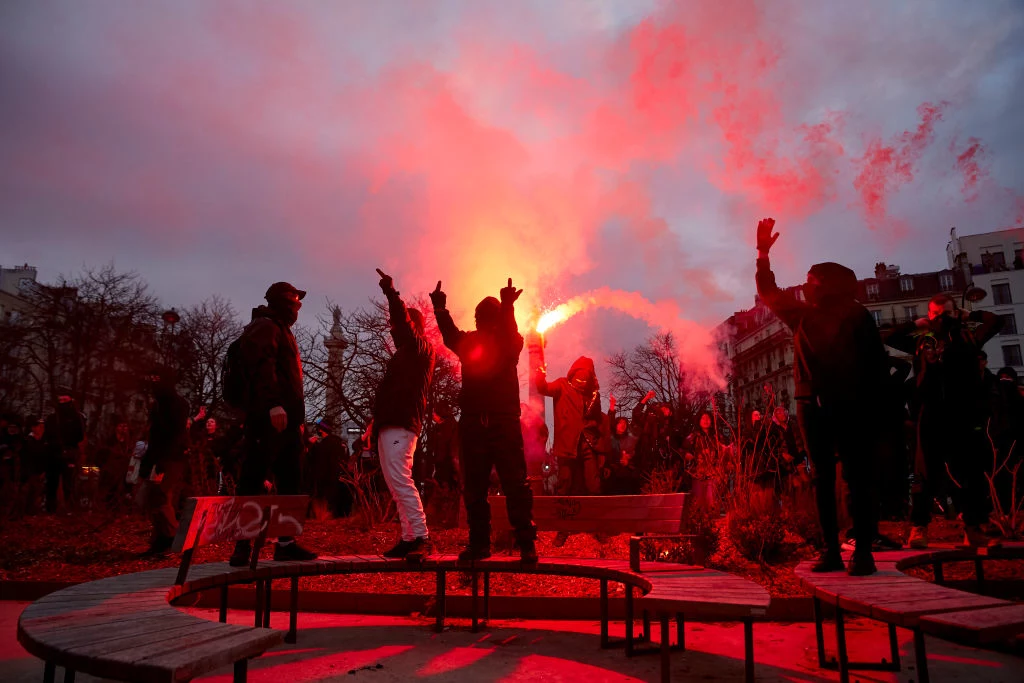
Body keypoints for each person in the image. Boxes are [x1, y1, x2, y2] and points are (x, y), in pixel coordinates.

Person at [755, 217, 890, 575]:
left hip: (815, 405)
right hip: (849, 406)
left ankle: (835, 551)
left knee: (826, 479)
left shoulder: (807, 316)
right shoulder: (857, 315)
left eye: (812, 279)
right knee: (854, 478)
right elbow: (879, 367)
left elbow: (769, 292)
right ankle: (859, 552)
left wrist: (763, 255)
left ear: (825, 283)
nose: (807, 285)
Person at [432, 278, 537, 563]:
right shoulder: (506, 343)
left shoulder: (482, 342)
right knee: (512, 484)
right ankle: (525, 545)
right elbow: (457, 336)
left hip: (481, 421)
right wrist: (507, 307)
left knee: (478, 487)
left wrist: (440, 308)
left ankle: (482, 544)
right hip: (499, 421)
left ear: (481, 320)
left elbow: (451, 335)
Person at [886, 294, 1002, 548]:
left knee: (966, 473)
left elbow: (996, 322)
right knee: (923, 474)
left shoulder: (968, 338)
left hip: (960, 413)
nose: (941, 319)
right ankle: (919, 528)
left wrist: (969, 316)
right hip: (929, 415)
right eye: (936, 314)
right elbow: (888, 337)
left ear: (955, 312)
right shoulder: (921, 342)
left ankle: (972, 528)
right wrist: (917, 325)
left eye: (946, 313)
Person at [229, 282, 318, 566]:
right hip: (268, 419)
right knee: (253, 479)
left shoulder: (278, 328)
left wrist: (297, 422)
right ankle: (242, 546)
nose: (298, 307)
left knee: (291, 480)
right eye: (295, 301)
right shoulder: (266, 326)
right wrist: (273, 405)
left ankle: (286, 542)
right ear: (282, 302)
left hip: (287, 422)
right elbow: (261, 366)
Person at [372, 269, 436, 560]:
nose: (392, 329)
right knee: (395, 482)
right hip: (390, 423)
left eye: (397, 325)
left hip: (401, 424)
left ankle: (422, 537)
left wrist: (391, 293)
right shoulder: (404, 355)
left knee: (401, 480)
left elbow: (403, 323)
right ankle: (409, 537)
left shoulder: (419, 347)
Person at [533, 353, 604, 498]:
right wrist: (540, 376)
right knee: (565, 480)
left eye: (586, 376)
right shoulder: (562, 385)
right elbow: (544, 389)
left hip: (588, 442)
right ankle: (562, 513)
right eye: (580, 375)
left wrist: (601, 448)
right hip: (567, 442)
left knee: (592, 481)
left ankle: (594, 511)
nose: (582, 380)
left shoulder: (592, 394)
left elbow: (598, 420)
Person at [138, 366, 190, 556]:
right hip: (163, 457)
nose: (153, 382)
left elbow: (175, 435)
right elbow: (155, 437)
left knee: (161, 496)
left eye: (156, 378)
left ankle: (172, 539)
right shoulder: (159, 404)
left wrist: (161, 462)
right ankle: (162, 539)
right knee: (155, 498)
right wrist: (147, 464)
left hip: (172, 459)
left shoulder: (176, 404)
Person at [43, 387, 85, 513]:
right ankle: (51, 509)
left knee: (69, 483)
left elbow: (80, 435)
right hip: (55, 453)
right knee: (52, 482)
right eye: (61, 399)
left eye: (65, 399)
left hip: (68, 452)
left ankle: (68, 509)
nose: (62, 402)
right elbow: (48, 435)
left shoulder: (77, 417)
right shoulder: (53, 418)